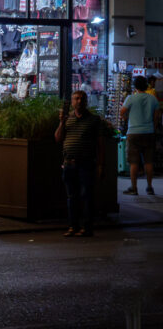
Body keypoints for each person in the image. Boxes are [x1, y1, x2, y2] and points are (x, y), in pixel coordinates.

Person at [55, 90, 105, 237]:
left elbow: (100, 145)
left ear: (86, 101)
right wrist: (62, 122)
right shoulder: (67, 119)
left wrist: (100, 165)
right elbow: (58, 138)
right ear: (72, 101)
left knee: (87, 196)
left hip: (86, 164)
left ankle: (87, 227)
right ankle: (73, 226)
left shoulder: (94, 120)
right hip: (69, 163)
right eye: (76, 98)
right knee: (72, 197)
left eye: (82, 98)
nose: (79, 101)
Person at [120, 75, 160, 195]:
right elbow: (157, 116)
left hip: (133, 133)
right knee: (148, 161)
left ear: (135, 86)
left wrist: (128, 118)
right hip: (149, 132)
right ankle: (149, 187)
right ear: (146, 85)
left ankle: (134, 188)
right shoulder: (153, 99)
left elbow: (122, 112)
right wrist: (153, 126)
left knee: (134, 162)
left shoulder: (131, 98)